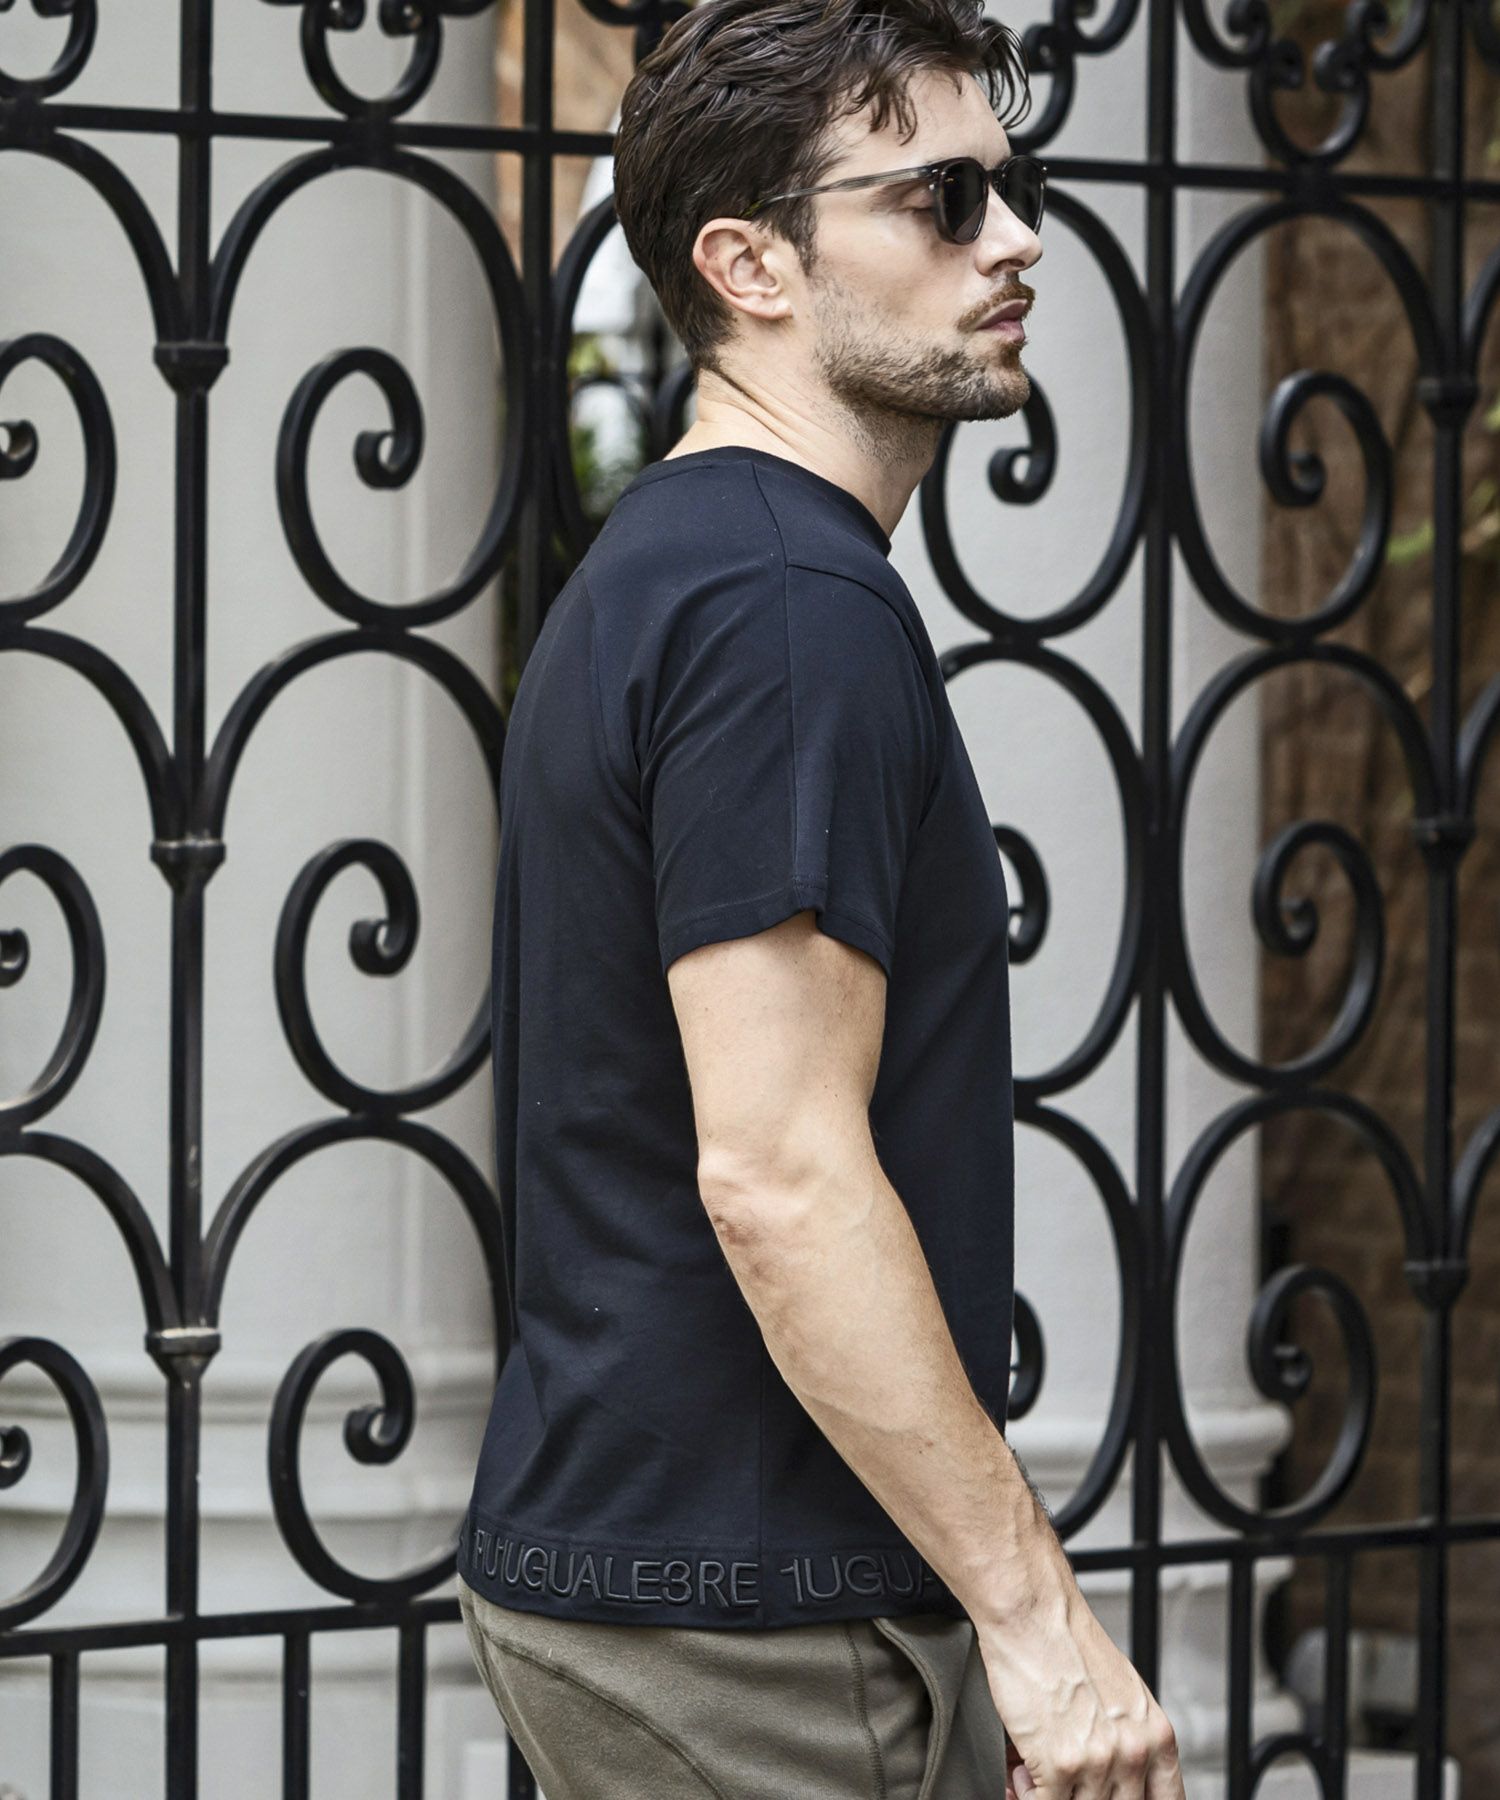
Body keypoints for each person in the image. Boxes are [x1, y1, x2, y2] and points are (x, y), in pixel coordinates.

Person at [457, 0, 1186, 1794]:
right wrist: (1040, 1624)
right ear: (749, 266)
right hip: (757, 1628)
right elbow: (779, 1171)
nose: (1015, 241)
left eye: (1015, 187)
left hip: (666, 1578)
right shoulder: (790, 604)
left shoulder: (674, 564)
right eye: (941, 200)